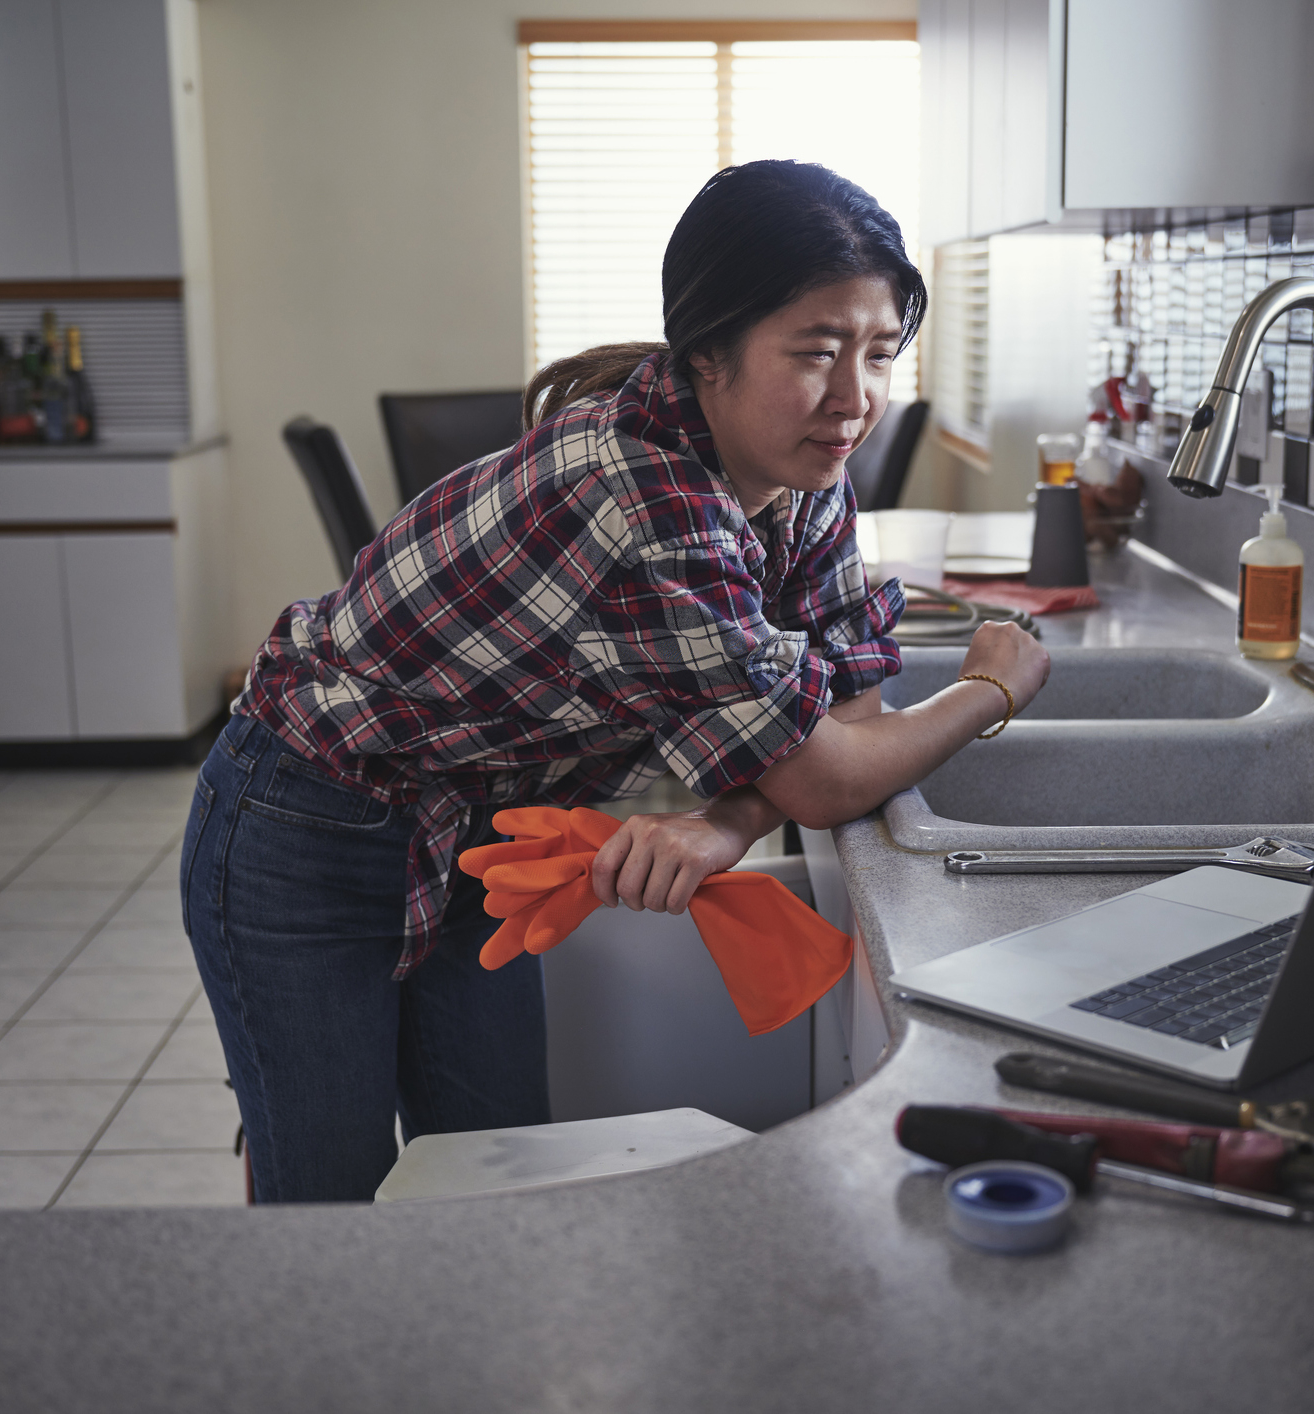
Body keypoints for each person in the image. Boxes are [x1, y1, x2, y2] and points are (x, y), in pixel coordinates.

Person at [182, 160, 1052, 1203]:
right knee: (329, 1208)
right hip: (306, 820)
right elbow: (825, 777)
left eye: (876, 353)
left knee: (491, 1174)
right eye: (817, 352)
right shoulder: (643, 495)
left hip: (480, 826)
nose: (853, 399)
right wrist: (988, 689)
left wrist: (725, 823)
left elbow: (840, 719)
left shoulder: (801, 468)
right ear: (708, 354)